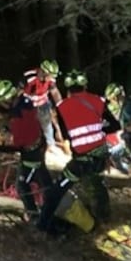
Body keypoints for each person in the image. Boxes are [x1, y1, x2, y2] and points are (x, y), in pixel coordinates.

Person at [37, 70, 120, 233]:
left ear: (68, 89)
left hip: (80, 161)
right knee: (97, 186)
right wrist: (98, 128)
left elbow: (66, 134)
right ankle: (104, 219)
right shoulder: (98, 101)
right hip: (99, 158)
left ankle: (43, 225)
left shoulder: (62, 107)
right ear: (85, 86)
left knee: (56, 191)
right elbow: (115, 125)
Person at [0, 80, 53, 223]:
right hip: (38, 146)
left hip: (31, 153)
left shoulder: (18, 117)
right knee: (43, 180)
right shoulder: (24, 102)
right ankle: (48, 209)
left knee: (22, 186)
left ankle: (35, 216)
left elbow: (19, 144)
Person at [104, 82, 131, 178]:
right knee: (114, 154)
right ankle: (125, 173)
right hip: (128, 136)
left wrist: (125, 129)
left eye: (113, 99)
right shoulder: (120, 106)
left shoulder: (130, 106)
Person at [22, 60, 63, 152]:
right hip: (27, 107)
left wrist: (62, 106)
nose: (51, 78)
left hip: (43, 105)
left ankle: (51, 146)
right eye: (50, 76)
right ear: (43, 72)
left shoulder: (50, 79)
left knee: (48, 127)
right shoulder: (29, 78)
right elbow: (18, 94)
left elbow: (54, 92)